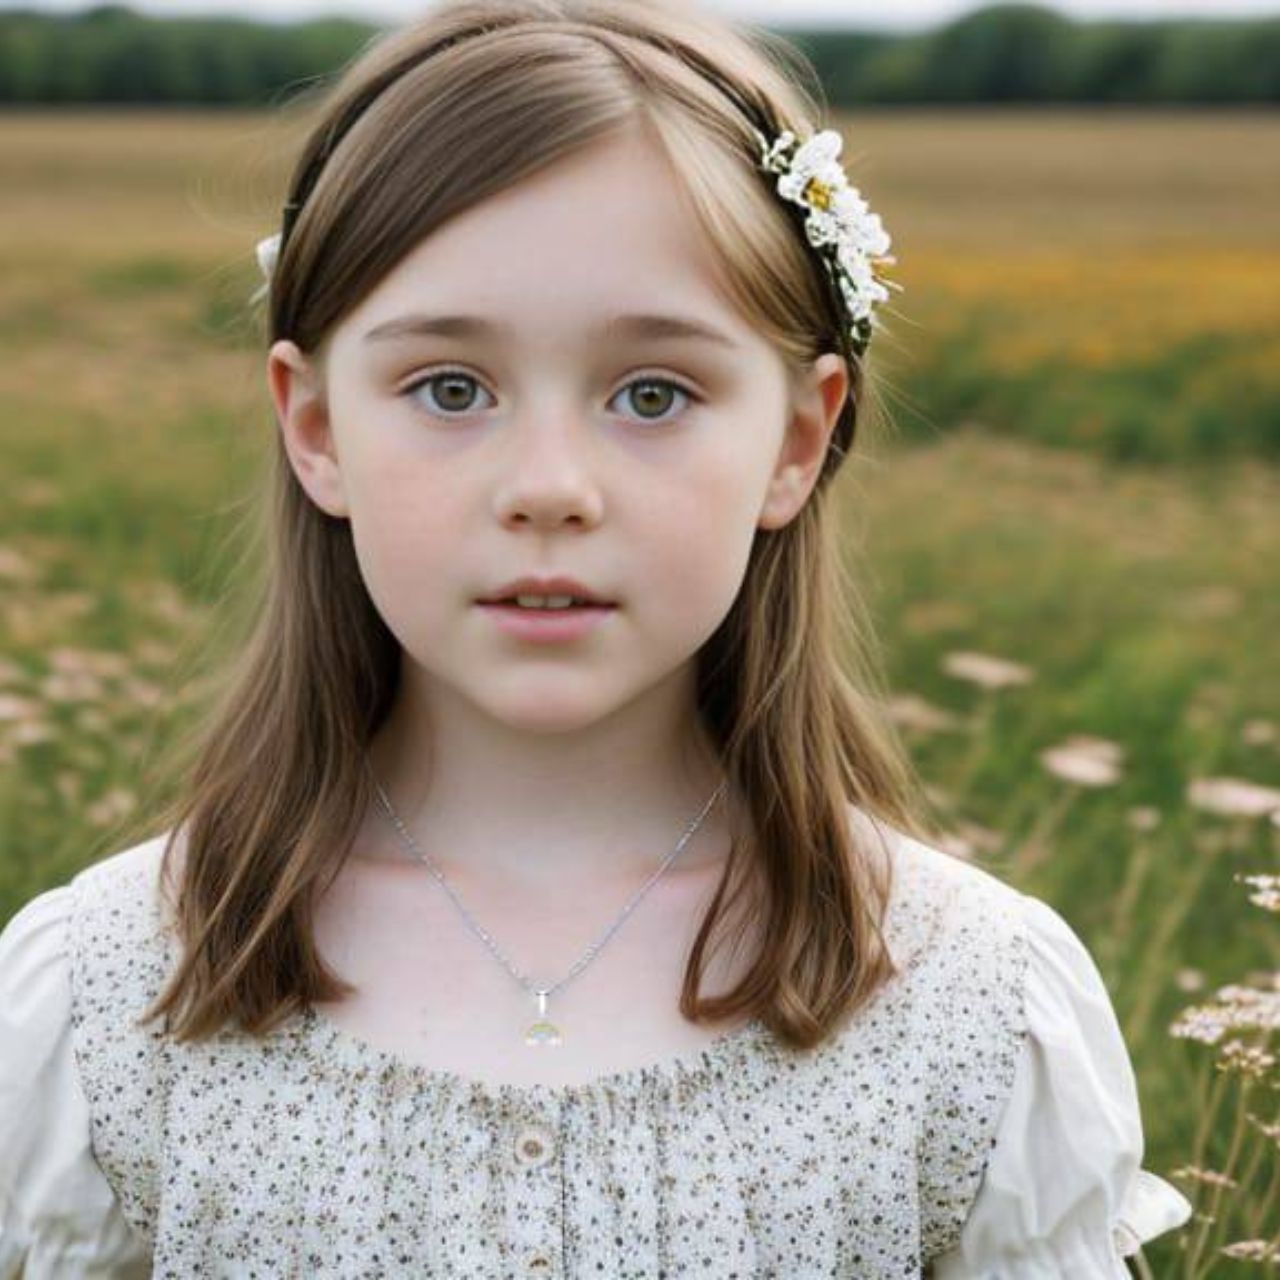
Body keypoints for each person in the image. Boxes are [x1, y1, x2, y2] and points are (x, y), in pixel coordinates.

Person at [0, 0, 1193, 1275]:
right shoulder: (110, 992)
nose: (550, 484)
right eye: (450, 389)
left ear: (796, 440)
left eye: (652, 393)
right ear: (317, 428)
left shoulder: (963, 1003)